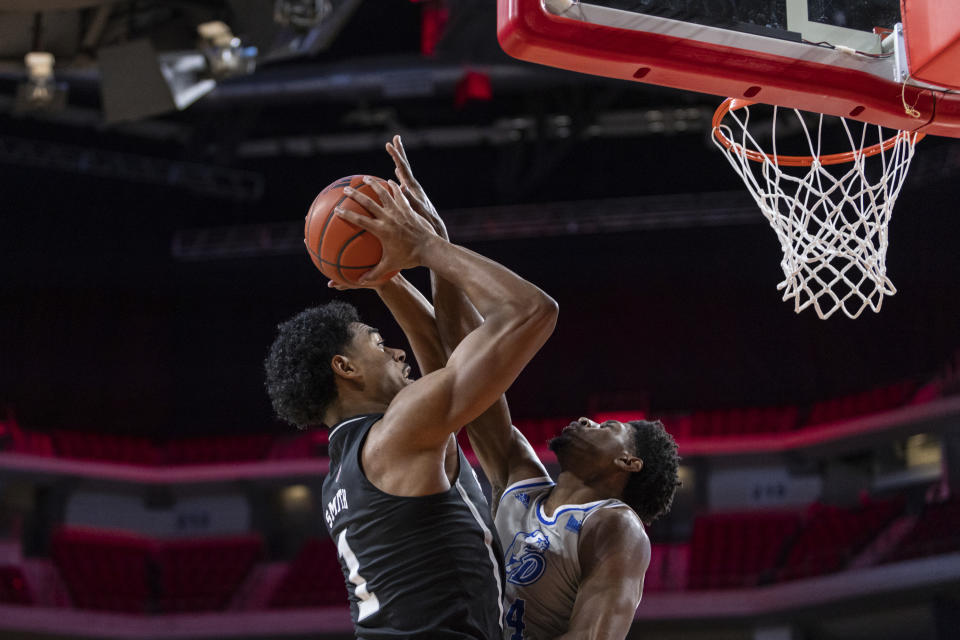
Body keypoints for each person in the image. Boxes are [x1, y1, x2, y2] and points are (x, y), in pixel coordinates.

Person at [381, 136, 682, 639]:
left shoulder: (615, 527)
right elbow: (468, 360)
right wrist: (436, 242)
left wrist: (433, 251)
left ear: (629, 464)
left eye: (611, 428)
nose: (589, 419)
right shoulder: (519, 478)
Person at [264, 166, 558, 640]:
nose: (397, 351)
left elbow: (442, 359)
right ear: (346, 368)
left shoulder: (354, 464)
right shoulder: (396, 437)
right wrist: (427, 249)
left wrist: (391, 274)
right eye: (378, 343)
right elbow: (532, 312)